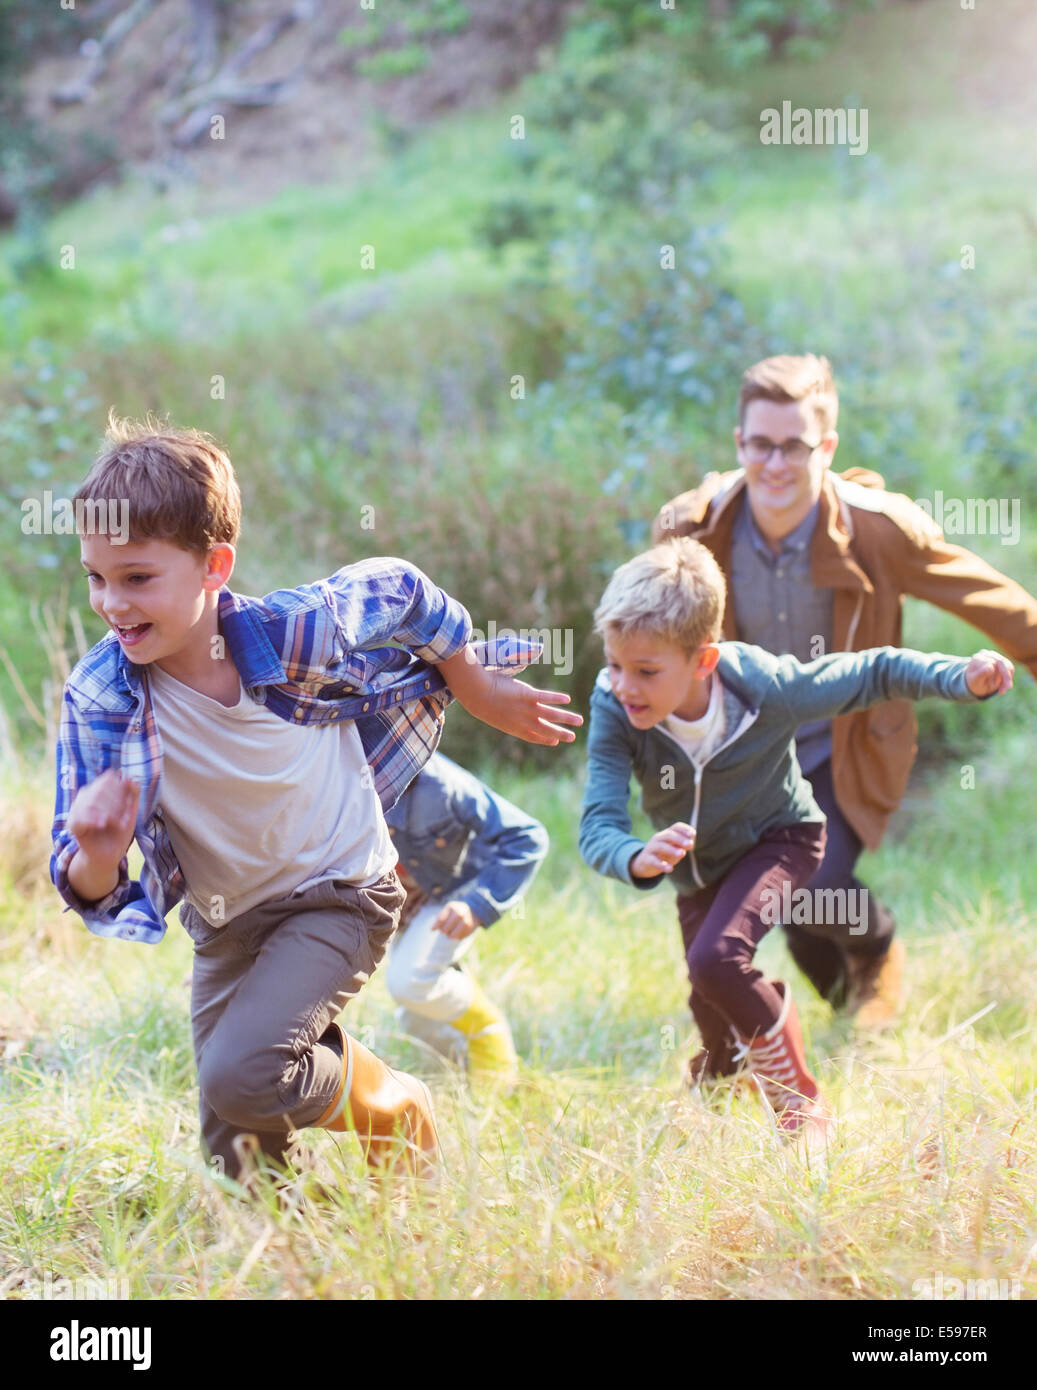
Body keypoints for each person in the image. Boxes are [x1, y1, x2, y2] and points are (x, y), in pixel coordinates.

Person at [49, 414, 581, 1189]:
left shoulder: (292, 631)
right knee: (241, 1164)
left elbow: (401, 589)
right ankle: (316, 1245)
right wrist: (98, 855)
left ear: (213, 567)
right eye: (96, 577)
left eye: (137, 578)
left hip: (339, 892)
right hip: (228, 923)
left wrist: (474, 683)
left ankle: (396, 1103)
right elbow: (86, 881)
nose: (111, 603)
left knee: (242, 1076)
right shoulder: (100, 694)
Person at [578, 537, 1013, 1134]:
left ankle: (800, 1106)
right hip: (698, 868)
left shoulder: (763, 686)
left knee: (716, 959)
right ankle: (719, 1071)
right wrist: (634, 854)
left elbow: (871, 672)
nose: (625, 685)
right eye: (615, 665)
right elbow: (597, 821)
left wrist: (958, 677)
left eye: (647, 671)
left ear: (703, 661)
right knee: (712, 1007)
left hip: (781, 838)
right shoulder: (614, 706)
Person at [652, 354, 1037, 1027]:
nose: (775, 464)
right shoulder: (695, 531)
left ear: (825, 447)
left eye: (794, 446)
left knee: (813, 885)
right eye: (760, 444)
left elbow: (988, 600)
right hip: (745, 755)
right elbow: (648, 634)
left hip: (842, 742)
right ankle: (851, 992)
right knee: (801, 918)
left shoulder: (878, 530)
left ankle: (878, 946)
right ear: (738, 442)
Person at [383, 751, 548, 1088]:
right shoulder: (332, 776)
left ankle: (488, 1033)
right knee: (417, 1019)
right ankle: (458, 1076)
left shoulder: (439, 785)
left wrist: (477, 905)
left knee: (411, 981)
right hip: (402, 904)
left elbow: (527, 837)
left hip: (451, 895)